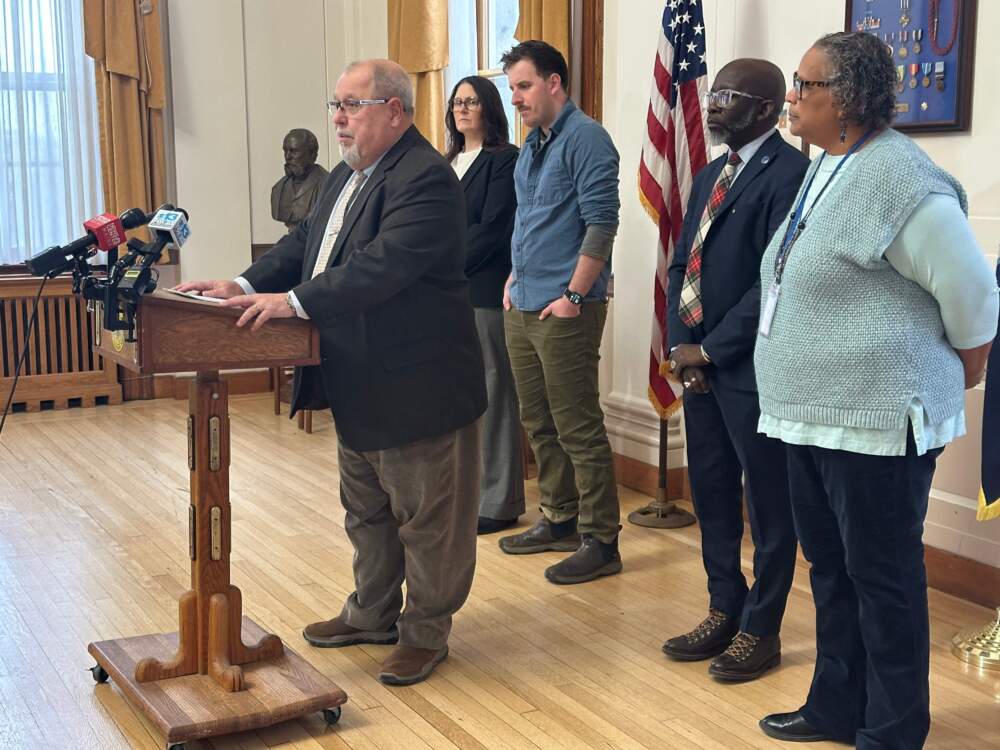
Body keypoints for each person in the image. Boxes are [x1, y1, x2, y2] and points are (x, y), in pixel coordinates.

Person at [175, 59, 488, 687]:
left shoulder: (424, 179)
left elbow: (380, 265)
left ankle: (425, 634)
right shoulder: (348, 174)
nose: (338, 119)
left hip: (418, 385)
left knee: (427, 522)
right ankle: (372, 613)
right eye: (335, 105)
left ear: (394, 111)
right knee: (366, 510)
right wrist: (240, 282)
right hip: (356, 376)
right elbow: (307, 247)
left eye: (353, 105)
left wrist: (291, 303)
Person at [754, 32, 998, 748]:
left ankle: (893, 729)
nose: (792, 98)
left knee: (882, 581)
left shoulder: (900, 176)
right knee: (830, 572)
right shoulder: (829, 163)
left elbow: (973, 292)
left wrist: (970, 363)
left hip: (875, 421)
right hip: (807, 417)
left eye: (806, 86)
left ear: (851, 99)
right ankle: (837, 704)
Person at [662, 59, 808, 682]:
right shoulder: (706, 174)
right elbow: (683, 265)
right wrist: (678, 343)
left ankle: (762, 626)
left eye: (729, 95)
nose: (714, 103)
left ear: (768, 108)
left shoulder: (792, 174)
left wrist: (712, 349)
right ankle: (724, 605)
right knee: (713, 493)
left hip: (751, 369)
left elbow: (775, 278)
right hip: (697, 367)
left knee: (768, 502)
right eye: (713, 92)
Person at [495, 40, 622, 585]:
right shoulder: (532, 143)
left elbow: (601, 224)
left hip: (566, 307)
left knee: (577, 424)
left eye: (524, 86)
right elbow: (529, 219)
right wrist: (512, 277)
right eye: (512, 88)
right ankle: (559, 517)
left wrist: (572, 296)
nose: (516, 98)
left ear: (553, 83)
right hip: (523, 301)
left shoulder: (587, 138)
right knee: (538, 421)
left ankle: (601, 539)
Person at [444, 75, 525, 534]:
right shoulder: (447, 161)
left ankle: (499, 500)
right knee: (457, 398)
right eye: (457, 102)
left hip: (483, 291)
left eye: (472, 101)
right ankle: (465, 492)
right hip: (444, 296)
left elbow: (494, 228)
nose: (463, 108)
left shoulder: (504, 161)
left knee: (494, 395)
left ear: (489, 108)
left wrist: (442, 264)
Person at [270, 128, 329, 229]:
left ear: (312, 154)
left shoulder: (328, 185)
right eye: (285, 151)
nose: (287, 156)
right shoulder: (278, 189)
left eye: (294, 151)